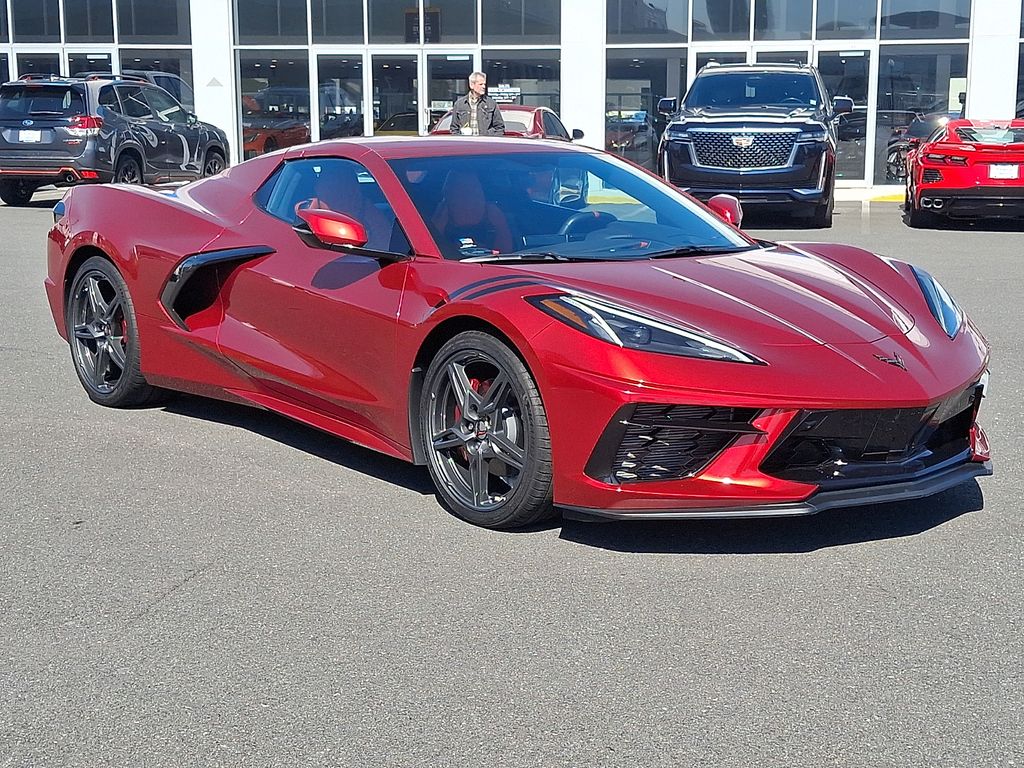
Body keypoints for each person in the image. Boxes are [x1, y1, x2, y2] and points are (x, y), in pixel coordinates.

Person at [298, 165, 393, 251]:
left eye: (346, 184)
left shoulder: (369, 213)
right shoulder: (309, 208)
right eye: (332, 186)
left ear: (356, 189)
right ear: (318, 188)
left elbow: (386, 244)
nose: (343, 193)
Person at [432, 170, 513, 256]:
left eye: (474, 189)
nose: (469, 196)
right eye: (462, 191)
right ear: (448, 194)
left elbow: (506, 253)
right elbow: (431, 248)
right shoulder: (441, 215)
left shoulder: (492, 214)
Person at [450, 72, 505, 136]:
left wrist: (489, 137)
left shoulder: (491, 104)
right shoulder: (459, 104)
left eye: (484, 84)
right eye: (480, 84)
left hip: (485, 144)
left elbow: (499, 127)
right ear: (472, 85)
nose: (484, 87)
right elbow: (454, 128)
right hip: (466, 144)